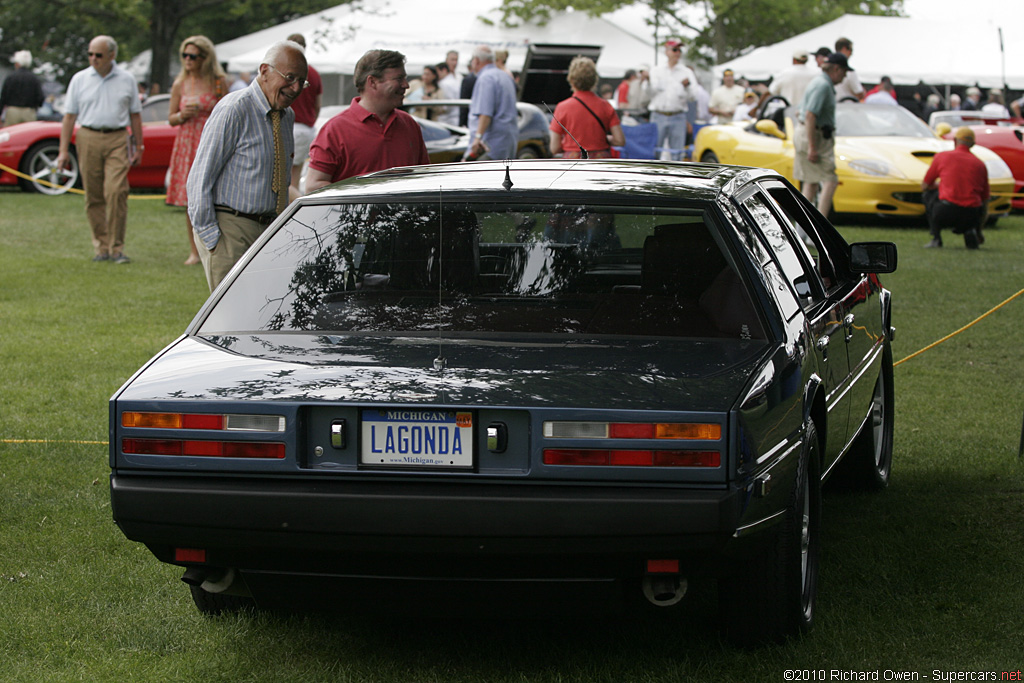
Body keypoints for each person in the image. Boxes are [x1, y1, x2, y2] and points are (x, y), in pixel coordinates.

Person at [187, 40, 308, 290]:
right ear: (264, 71)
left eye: (302, 82)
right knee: (230, 320)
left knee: (262, 313)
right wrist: (212, 240)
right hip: (231, 230)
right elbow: (199, 178)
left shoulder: (287, 116)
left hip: (268, 232)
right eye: (290, 77)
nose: (295, 88)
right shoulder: (234, 109)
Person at [56, 36, 144, 264]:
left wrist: (139, 145)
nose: (93, 59)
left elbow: (135, 114)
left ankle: (117, 248)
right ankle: (101, 247)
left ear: (112, 56)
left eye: (99, 55)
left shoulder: (127, 79)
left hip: (117, 137)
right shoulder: (79, 79)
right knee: (93, 195)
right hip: (87, 136)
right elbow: (69, 116)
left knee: (116, 191)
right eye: (90, 54)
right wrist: (63, 151)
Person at [305, 49, 428, 192]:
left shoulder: (409, 124)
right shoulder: (335, 130)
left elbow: (423, 178)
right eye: (399, 78)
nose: (406, 85)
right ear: (373, 82)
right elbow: (313, 187)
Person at [165, 36, 228, 266]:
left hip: (211, 139)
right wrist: (182, 116)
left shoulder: (219, 81)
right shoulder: (180, 83)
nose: (188, 60)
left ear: (205, 58)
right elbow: (170, 118)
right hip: (187, 142)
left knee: (216, 195)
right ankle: (194, 250)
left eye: (193, 56)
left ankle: (216, 246)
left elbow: (229, 109)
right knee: (191, 198)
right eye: (185, 55)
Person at [794, 52, 851, 218]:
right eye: (844, 72)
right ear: (836, 69)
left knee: (810, 183)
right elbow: (811, 114)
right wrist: (812, 147)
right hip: (815, 136)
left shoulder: (817, 82)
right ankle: (820, 227)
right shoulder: (823, 86)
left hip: (807, 132)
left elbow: (800, 111)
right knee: (830, 180)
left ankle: (802, 232)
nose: (845, 76)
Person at [922, 127, 988, 249]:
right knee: (978, 205)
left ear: (955, 141)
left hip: (945, 211)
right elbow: (985, 198)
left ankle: (936, 237)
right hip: (971, 214)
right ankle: (970, 231)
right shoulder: (980, 164)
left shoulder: (942, 157)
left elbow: (925, 185)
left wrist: (940, 185)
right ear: (973, 144)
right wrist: (979, 229)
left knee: (928, 195)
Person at [548, 56, 625, 159]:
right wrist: (606, 139)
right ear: (594, 80)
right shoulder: (605, 106)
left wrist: (570, 144)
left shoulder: (562, 107)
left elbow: (554, 148)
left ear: (571, 80)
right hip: (599, 163)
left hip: (573, 163)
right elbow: (620, 140)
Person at [466, 45, 518, 161]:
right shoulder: (505, 76)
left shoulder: (486, 78)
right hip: (507, 142)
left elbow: (485, 113)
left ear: (477, 60)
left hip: (490, 145)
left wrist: (477, 138)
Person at [286, 34, 323, 194]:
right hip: (306, 129)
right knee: (294, 178)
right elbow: (318, 105)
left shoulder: (286, 72)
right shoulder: (313, 73)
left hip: (288, 127)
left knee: (285, 182)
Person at [648, 38, 695, 160]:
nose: (677, 53)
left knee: (677, 153)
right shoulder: (656, 70)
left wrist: (687, 87)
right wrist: (646, 82)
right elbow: (649, 92)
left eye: (679, 50)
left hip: (677, 115)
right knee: (654, 151)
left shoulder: (686, 72)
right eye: (674, 49)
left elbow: (693, 96)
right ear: (667, 51)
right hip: (658, 114)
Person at [1, 50, 45, 126]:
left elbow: (3, 97)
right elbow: (40, 98)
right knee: (29, 135)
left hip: (12, 112)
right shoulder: (34, 78)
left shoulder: (11, 77)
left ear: (17, 64)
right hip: (29, 112)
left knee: (12, 135)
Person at [832, 38, 864, 102]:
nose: (851, 53)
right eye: (850, 50)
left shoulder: (828, 70)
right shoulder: (850, 72)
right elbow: (859, 93)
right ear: (844, 49)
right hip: (847, 108)